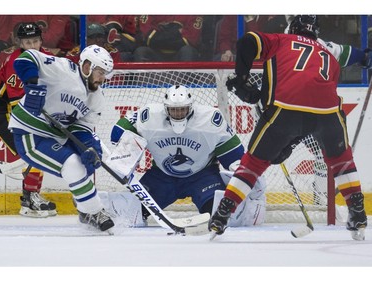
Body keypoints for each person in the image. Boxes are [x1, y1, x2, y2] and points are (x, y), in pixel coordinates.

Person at [209, 15, 371, 240]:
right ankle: (358, 213)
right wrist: (367, 57)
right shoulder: (328, 47)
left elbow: (247, 41)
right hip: (328, 114)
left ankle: (223, 213)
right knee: (342, 162)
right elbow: (359, 56)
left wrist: (241, 78)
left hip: (286, 109)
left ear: (291, 27)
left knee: (254, 163)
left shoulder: (280, 40)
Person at [109, 85, 266, 226]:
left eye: (182, 109)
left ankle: (242, 211)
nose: (178, 113)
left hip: (202, 176)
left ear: (191, 107)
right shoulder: (149, 117)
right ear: (165, 108)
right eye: (173, 109)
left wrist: (244, 174)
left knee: (219, 213)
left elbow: (234, 156)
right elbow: (117, 132)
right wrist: (125, 151)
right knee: (130, 214)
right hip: (161, 177)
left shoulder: (210, 121)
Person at [8, 44, 115, 232]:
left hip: (54, 137)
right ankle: (94, 212)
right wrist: (32, 83)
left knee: (85, 161)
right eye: (99, 71)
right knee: (72, 164)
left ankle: (85, 211)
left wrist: (88, 146)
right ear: (87, 66)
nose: (102, 78)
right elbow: (26, 58)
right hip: (30, 134)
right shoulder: (63, 69)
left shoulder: (97, 98)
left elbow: (81, 128)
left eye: (105, 73)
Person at [0, 22, 57, 218]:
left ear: (41, 41)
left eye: (35, 41)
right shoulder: (16, 62)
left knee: (39, 154)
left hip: (38, 116)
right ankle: (29, 199)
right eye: (27, 42)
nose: (32, 45)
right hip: (14, 116)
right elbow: (16, 100)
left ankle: (30, 198)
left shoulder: (51, 59)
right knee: (35, 153)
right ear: (19, 42)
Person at [133, 15, 203, 62]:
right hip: (156, 53)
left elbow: (189, 41)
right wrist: (177, 32)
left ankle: (184, 84)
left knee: (188, 51)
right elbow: (149, 39)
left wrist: (160, 34)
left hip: (179, 54)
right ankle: (144, 84)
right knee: (141, 51)